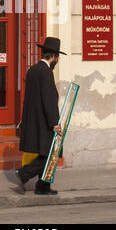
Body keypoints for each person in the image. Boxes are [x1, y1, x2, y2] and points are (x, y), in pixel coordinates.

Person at [16, 37, 66, 195]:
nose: (57, 61)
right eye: (57, 58)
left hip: (34, 120)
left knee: (46, 153)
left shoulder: (33, 70)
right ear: (52, 56)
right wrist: (54, 123)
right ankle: (24, 173)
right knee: (52, 153)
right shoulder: (46, 72)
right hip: (44, 121)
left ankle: (43, 186)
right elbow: (49, 99)